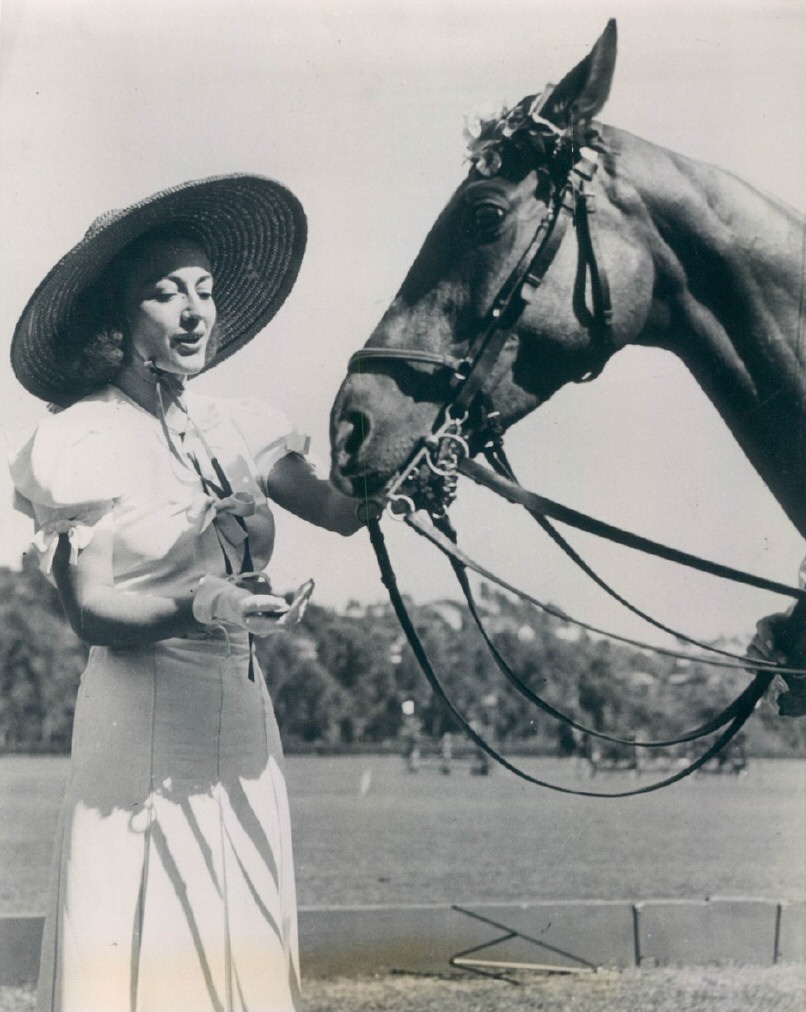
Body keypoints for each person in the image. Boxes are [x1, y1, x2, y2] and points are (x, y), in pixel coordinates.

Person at [8, 174, 365, 1011]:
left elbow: (345, 510)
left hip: (240, 721)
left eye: (203, 290)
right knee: (140, 931)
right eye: (165, 294)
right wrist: (209, 605)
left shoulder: (237, 429)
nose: (193, 310)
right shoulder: (80, 438)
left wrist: (423, 447)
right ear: (119, 318)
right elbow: (88, 610)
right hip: (138, 719)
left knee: (239, 925)